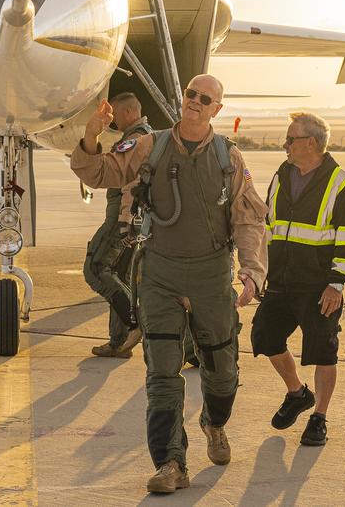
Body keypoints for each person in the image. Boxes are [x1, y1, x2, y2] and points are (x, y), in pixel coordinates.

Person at [71, 74, 267, 495]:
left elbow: (248, 218)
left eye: (205, 98)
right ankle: (170, 462)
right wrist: (90, 138)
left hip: (212, 274)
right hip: (159, 271)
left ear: (217, 108)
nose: (195, 101)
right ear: (183, 99)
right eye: (190, 94)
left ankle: (214, 424)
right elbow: (97, 170)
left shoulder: (228, 157)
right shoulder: (148, 145)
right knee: (161, 372)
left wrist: (251, 270)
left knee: (222, 374)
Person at [252, 111, 345, 448]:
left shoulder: (342, 184)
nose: (285, 145)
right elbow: (269, 226)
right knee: (265, 338)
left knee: (323, 352)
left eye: (291, 139)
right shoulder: (281, 175)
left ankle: (319, 418)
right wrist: (260, 269)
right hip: (281, 281)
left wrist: (337, 283)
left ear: (311, 143)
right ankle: (298, 393)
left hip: (319, 286)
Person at [84, 92, 152, 358]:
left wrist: (125, 221)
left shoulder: (135, 140)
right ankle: (119, 342)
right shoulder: (145, 136)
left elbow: (132, 185)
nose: (112, 119)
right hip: (134, 219)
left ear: (127, 113)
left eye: (114, 113)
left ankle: (138, 323)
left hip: (122, 218)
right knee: (120, 275)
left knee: (97, 268)